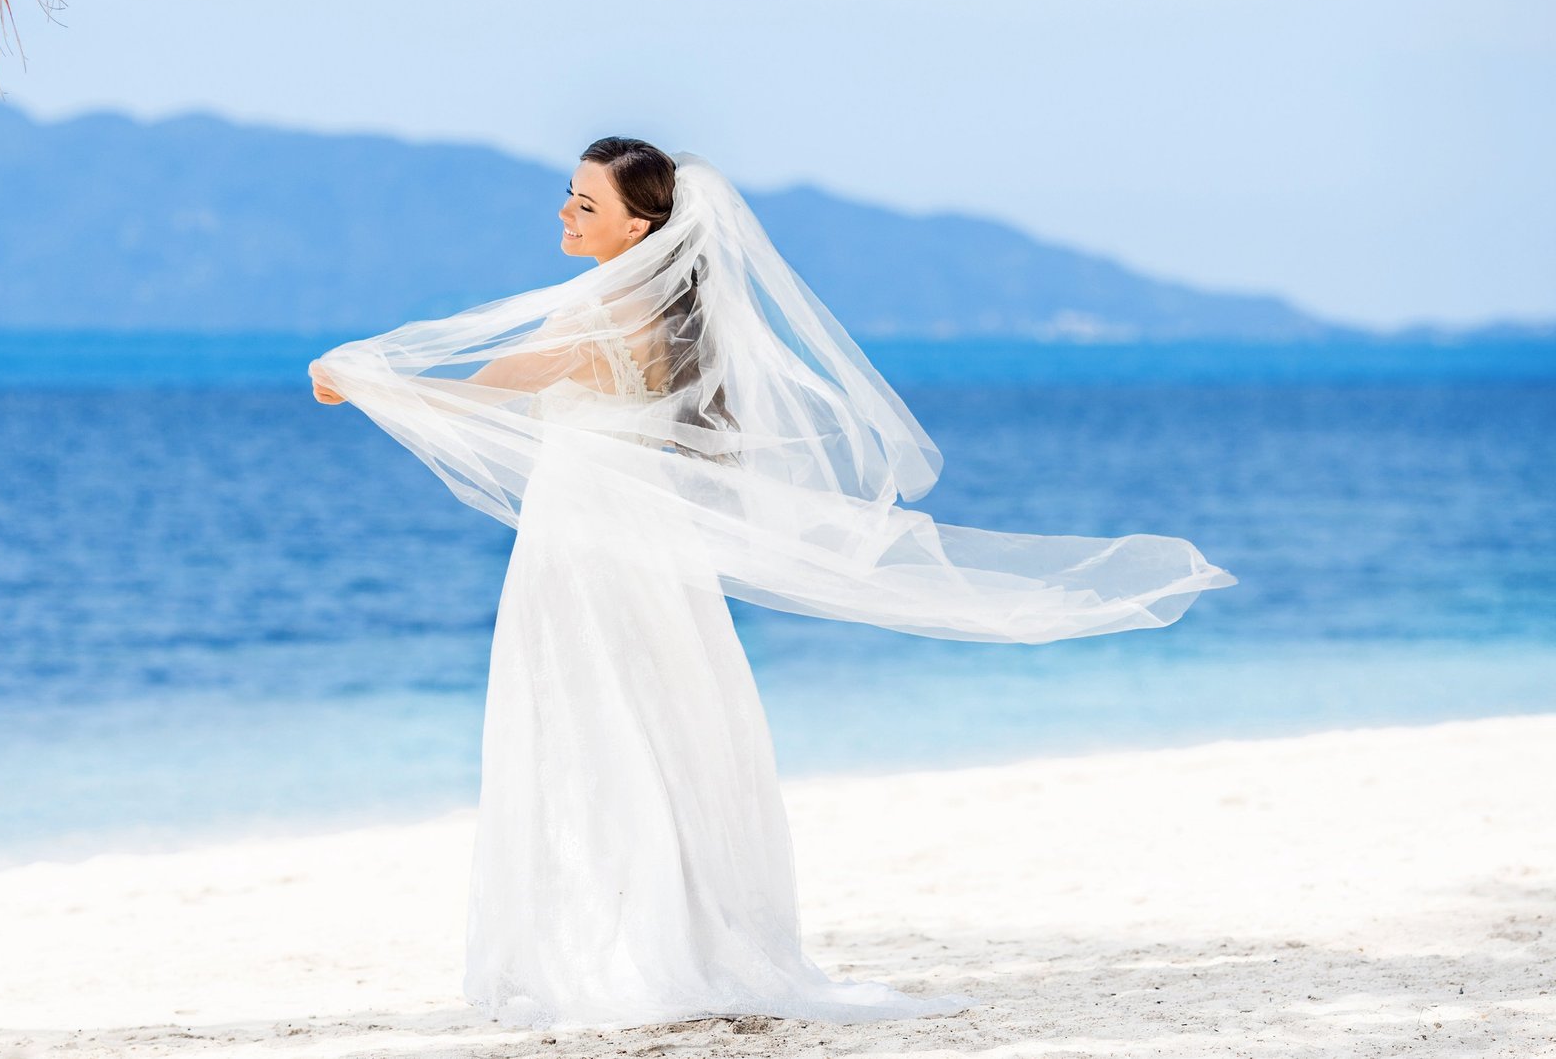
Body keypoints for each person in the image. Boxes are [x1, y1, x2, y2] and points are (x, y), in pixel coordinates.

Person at [308, 137, 1237, 1030]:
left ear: (636, 230)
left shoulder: (600, 317)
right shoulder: (673, 321)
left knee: (592, 726)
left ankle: (632, 947)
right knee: (658, 729)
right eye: (570, 194)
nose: (565, 211)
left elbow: (487, 388)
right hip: (638, 543)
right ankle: (676, 932)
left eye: (587, 203)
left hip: (587, 543)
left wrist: (365, 385)